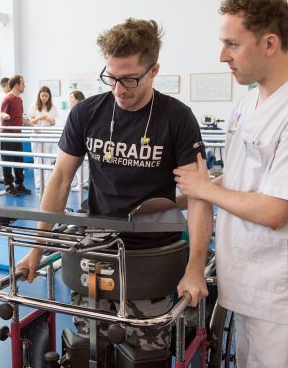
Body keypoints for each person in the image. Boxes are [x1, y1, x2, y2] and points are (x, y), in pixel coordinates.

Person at [174, 0, 288, 367]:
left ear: (270, 43)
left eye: (232, 44)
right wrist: (183, 195)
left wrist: (204, 189)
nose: (222, 56)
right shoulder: (249, 101)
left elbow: (275, 211)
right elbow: (239, 183)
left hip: (283, 294)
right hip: (247, 282)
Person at [17, 18, 212, 354]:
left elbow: (198, 197)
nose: (119, 89)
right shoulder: (87, 113)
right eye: (111, 77)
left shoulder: (177, 118)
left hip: (152, 257)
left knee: (143, 352)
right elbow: (60, 180)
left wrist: (195, 268)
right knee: (91, 347)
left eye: (130, 79)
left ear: (154, 71)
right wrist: (37, 248)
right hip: (97, 253)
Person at [0, 75, 32, 197]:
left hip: (18, 135)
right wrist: (5, 116)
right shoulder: (8, 99)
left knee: (19, 160)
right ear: (16, 85)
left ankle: (19, 183)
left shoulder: (19, 100)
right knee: (7, 161)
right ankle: (9, 185)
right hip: (7, 136)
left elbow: (21, 117)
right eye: (23, 83)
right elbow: (2, 113)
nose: (24, 85)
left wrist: (32, 127)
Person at [27, 86, 58, 189]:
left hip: (48, 134)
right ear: (39, 96)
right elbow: (29, 121)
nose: (44, 98)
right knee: (37, 158)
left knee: (47, 158)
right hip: (36, 134)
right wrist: (40, 117)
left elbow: (53, 123)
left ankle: (47, 182)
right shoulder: (34, 106)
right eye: (42, 95)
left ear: (49, 96)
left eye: (46, 96)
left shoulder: (52, 107)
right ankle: (39, 183)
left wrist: (50, 120)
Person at [67, 90, 89, 192]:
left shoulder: (81, 109)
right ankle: (77, 182)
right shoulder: (74, 109)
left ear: (78, 99)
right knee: (74, 163)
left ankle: (83, 183)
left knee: (82, 163)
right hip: (77, 138)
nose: (70, 100)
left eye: (72, 97)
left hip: (82, 138)